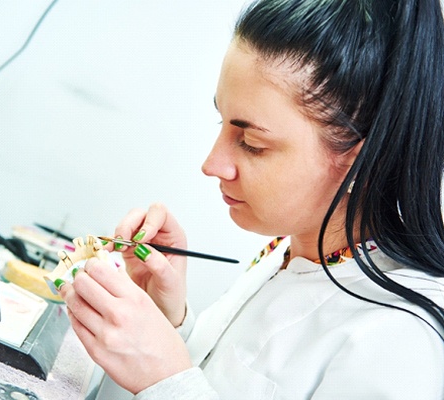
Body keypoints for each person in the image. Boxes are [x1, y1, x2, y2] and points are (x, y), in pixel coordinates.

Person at [60, 0, 444, 398]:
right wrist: (167, 322)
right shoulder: (289, 254)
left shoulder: (403, 341)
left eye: (252, 143)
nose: (212, 164)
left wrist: (164, 380)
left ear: (361, 161)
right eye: (222, 122)